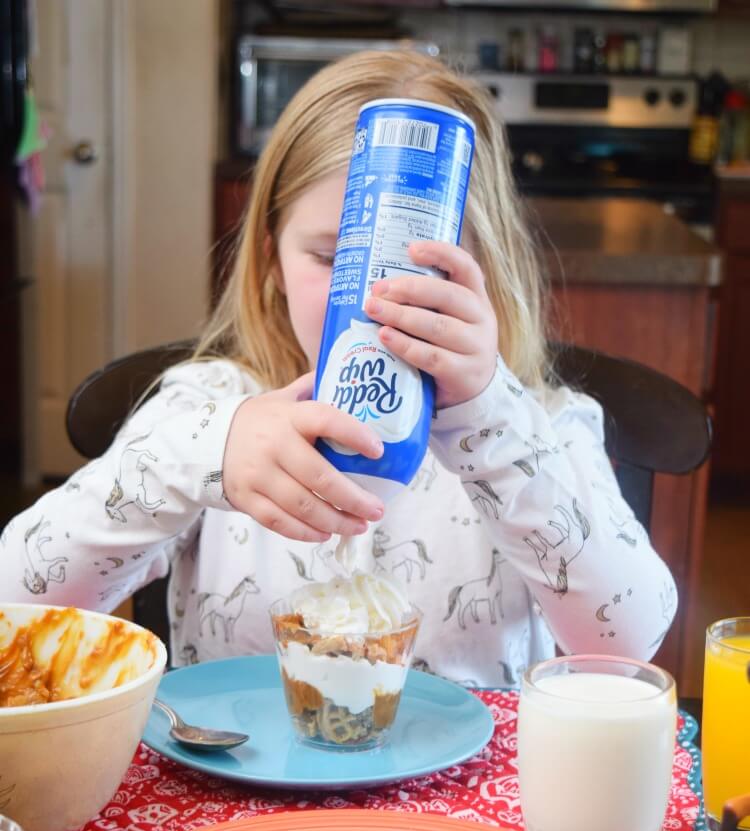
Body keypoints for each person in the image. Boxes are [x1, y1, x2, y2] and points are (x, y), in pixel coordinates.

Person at [0, 50, 677, 687]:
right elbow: (16, 600)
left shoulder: (540, 429)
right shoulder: (208, 409)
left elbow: (629, 642)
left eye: (424, 269)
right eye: (333, 259)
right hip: (242, 799)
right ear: (271, 265)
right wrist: (201, 455)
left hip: (456, 810)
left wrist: (490, 417)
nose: (375, 300)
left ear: (484, 272)